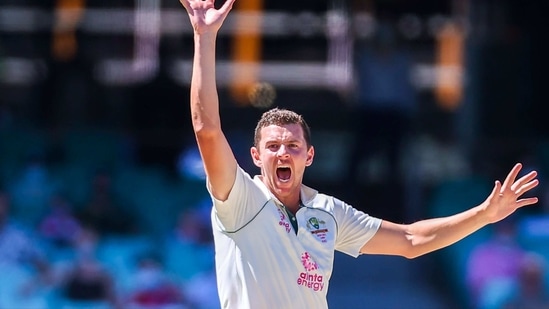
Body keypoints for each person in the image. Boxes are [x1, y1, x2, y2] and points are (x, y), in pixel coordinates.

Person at [178, 0, 540, 307]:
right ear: (256, 157)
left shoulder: (327, 213)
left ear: (310, 156)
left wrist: (484, 213)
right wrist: (204, 36)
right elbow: (206, 129)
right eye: (272, 147)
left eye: (292, 146)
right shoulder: (240, 198)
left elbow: (411, 241)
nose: (282, 153)